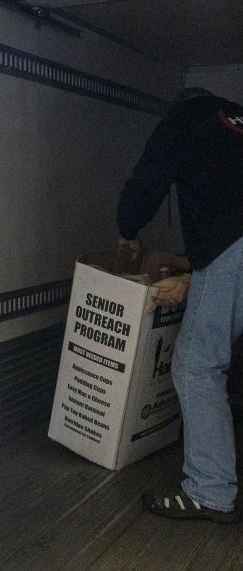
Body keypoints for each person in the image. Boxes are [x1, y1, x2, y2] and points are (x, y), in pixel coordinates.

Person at [116, 87, 243, 523]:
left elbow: (146, 183)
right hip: (232, 248)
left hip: (232, 246)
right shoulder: (233, 123)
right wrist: (194, 271)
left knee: (195, 366)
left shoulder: (182, 121)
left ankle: (209, 491)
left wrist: (127, 230)